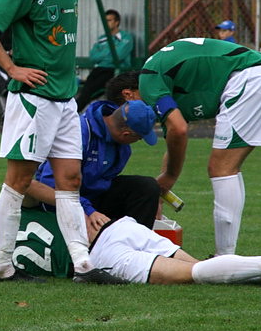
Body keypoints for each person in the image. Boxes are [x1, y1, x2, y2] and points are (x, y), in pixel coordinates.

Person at [0, 0, 120, 284]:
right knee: (19, 180)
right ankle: (3, 264)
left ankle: (83, 265)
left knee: (70, 178)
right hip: (34, 99)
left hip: (66, 99)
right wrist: (11, 68)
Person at [139, 37, 261, 256]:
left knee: (221, 169)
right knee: (228, 169)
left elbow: (179, 129)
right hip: (257, 74)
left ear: (127, 94)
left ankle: (224, 257)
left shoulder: (148, 80)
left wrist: (169, 177)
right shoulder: (165, 81)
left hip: (248, 77)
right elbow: (173, 138)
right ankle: (226, 255)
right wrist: (161, 186)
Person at [0, 214, 261, 288]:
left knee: (193, 276)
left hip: (101, 256)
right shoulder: (25, 217)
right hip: (120, 226)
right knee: (197, 266)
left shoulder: (17, 264)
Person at [27, 98, 161, 231]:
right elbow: (49, 183)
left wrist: (150, 204)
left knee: (147, 187)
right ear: (126, 134)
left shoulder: (123, 148)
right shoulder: (78, 132)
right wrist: (88, 210)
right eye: (139, 138)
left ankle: (136, 243)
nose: (137, 141)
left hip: (93, 199)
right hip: (60, 202)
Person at [74, 9, 134, 112]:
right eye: (105, 20)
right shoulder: (102, 38)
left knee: (89, 90)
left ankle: (75, 111)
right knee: (86, 90)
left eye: (109, 20)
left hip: (114, 70)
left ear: (117, 22)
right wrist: (110, 50)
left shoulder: (125, 37)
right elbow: (93, 57)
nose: (106, 23)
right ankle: (75, 111)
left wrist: (103, 54)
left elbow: (118, 56)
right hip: (99, 69)